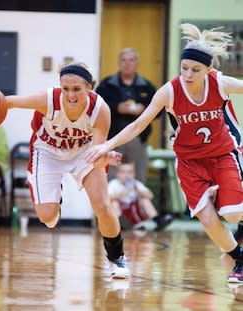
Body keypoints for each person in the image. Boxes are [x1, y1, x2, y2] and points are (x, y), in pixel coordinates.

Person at [84, 24, 243, 283]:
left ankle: (222, 198)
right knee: (206, 218)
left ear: (208, 70)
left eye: (195, 70)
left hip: (222, 155)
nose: (188, 74)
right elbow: (138, 124)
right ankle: (239, 258)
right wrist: (107, 145)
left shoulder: (220, 83)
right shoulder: (170, 91)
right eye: (184, 68)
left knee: (233, 214)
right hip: (190, 162)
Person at [0, 62, 130, 279]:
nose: (70, 95)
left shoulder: (101, 111)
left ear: (90, 87)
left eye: (77, 89)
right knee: (47, 217)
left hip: (84, 152)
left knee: (102, 204)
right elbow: (7, 102)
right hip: (48, 152)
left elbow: (97, 158)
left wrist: (105, 156)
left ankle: (117, 259)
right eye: (65, 88)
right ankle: (54, 199)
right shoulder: (48, 99)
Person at [95, 48, 157, 182]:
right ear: (118, 63)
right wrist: (117, 108)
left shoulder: (146, 86)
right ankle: (111, 203)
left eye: (131, 60)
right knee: (111, 179)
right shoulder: (107, 84)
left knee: (138, 178)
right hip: (113, 139)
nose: (127, 64)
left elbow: (159, 110)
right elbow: (96, 107)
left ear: (137, 63)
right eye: (123, 60)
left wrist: (144, 109)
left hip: (138, 140)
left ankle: (137, 203)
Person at [108, 161, 173, 231]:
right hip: (122, 214)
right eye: (123, 172)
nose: (127, 175)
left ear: (134, 174)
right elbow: (106, 198)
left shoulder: (136, 184)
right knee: (114, 202)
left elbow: (150, 196)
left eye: (130, 172)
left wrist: (138, 190)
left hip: (134, 213)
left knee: (144, 200)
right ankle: (121, 224)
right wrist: (119, 195)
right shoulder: (114, 184)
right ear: (117, 174)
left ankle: (157, 220)